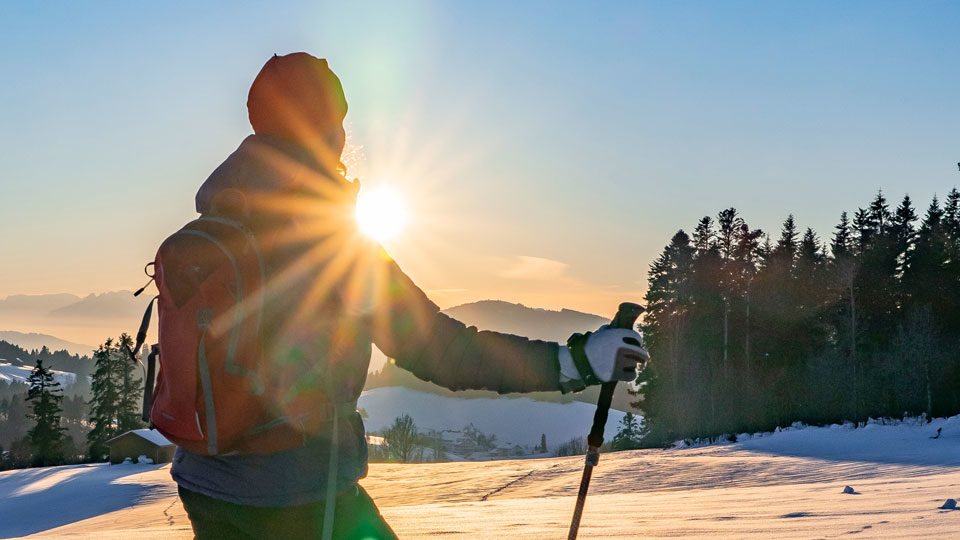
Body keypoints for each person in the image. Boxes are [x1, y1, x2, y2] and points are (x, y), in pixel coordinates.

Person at [170, 52, 648, 540]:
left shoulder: (213, 227)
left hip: (204, 480)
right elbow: (442, 351)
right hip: (300, 493)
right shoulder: (328, 245)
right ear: (331, 133)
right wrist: (575, 363)